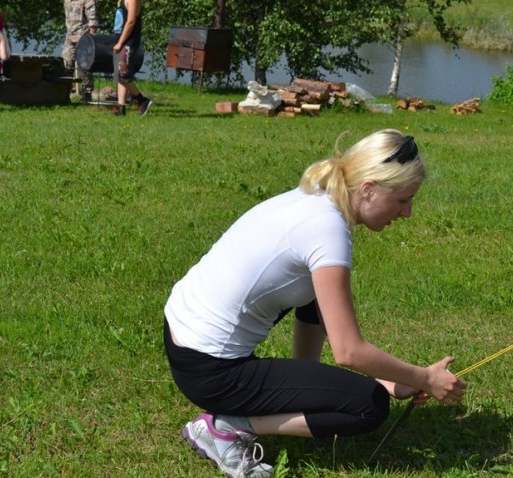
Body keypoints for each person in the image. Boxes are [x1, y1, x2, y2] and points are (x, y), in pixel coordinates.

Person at [164, 129, 467, 477]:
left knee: (317, 296)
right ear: (368, 189)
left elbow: (316, 310)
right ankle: (225, 428)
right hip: (212, 371)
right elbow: (348, 351)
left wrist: (387, 381)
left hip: (182, 340)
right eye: (402, 200)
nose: (408, 212)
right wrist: (425, 378)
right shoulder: (328, 230)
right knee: (369, 405)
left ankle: (289, 394)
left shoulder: (316, 197)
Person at [111, 0, 150, 116]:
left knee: (123, 75)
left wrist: (120, 43)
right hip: (120, 40)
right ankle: (121, 107)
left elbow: (131, 21)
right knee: (120, 74)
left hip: (128, 42)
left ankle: (142, 100)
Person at [62, 0, 97, 101]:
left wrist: (91, 41)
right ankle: (65, 93)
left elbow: (93, 22)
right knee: (67, 64)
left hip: (83, 38)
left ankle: (87, 95)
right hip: (70, 38)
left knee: (85, 68)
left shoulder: (88, 1)